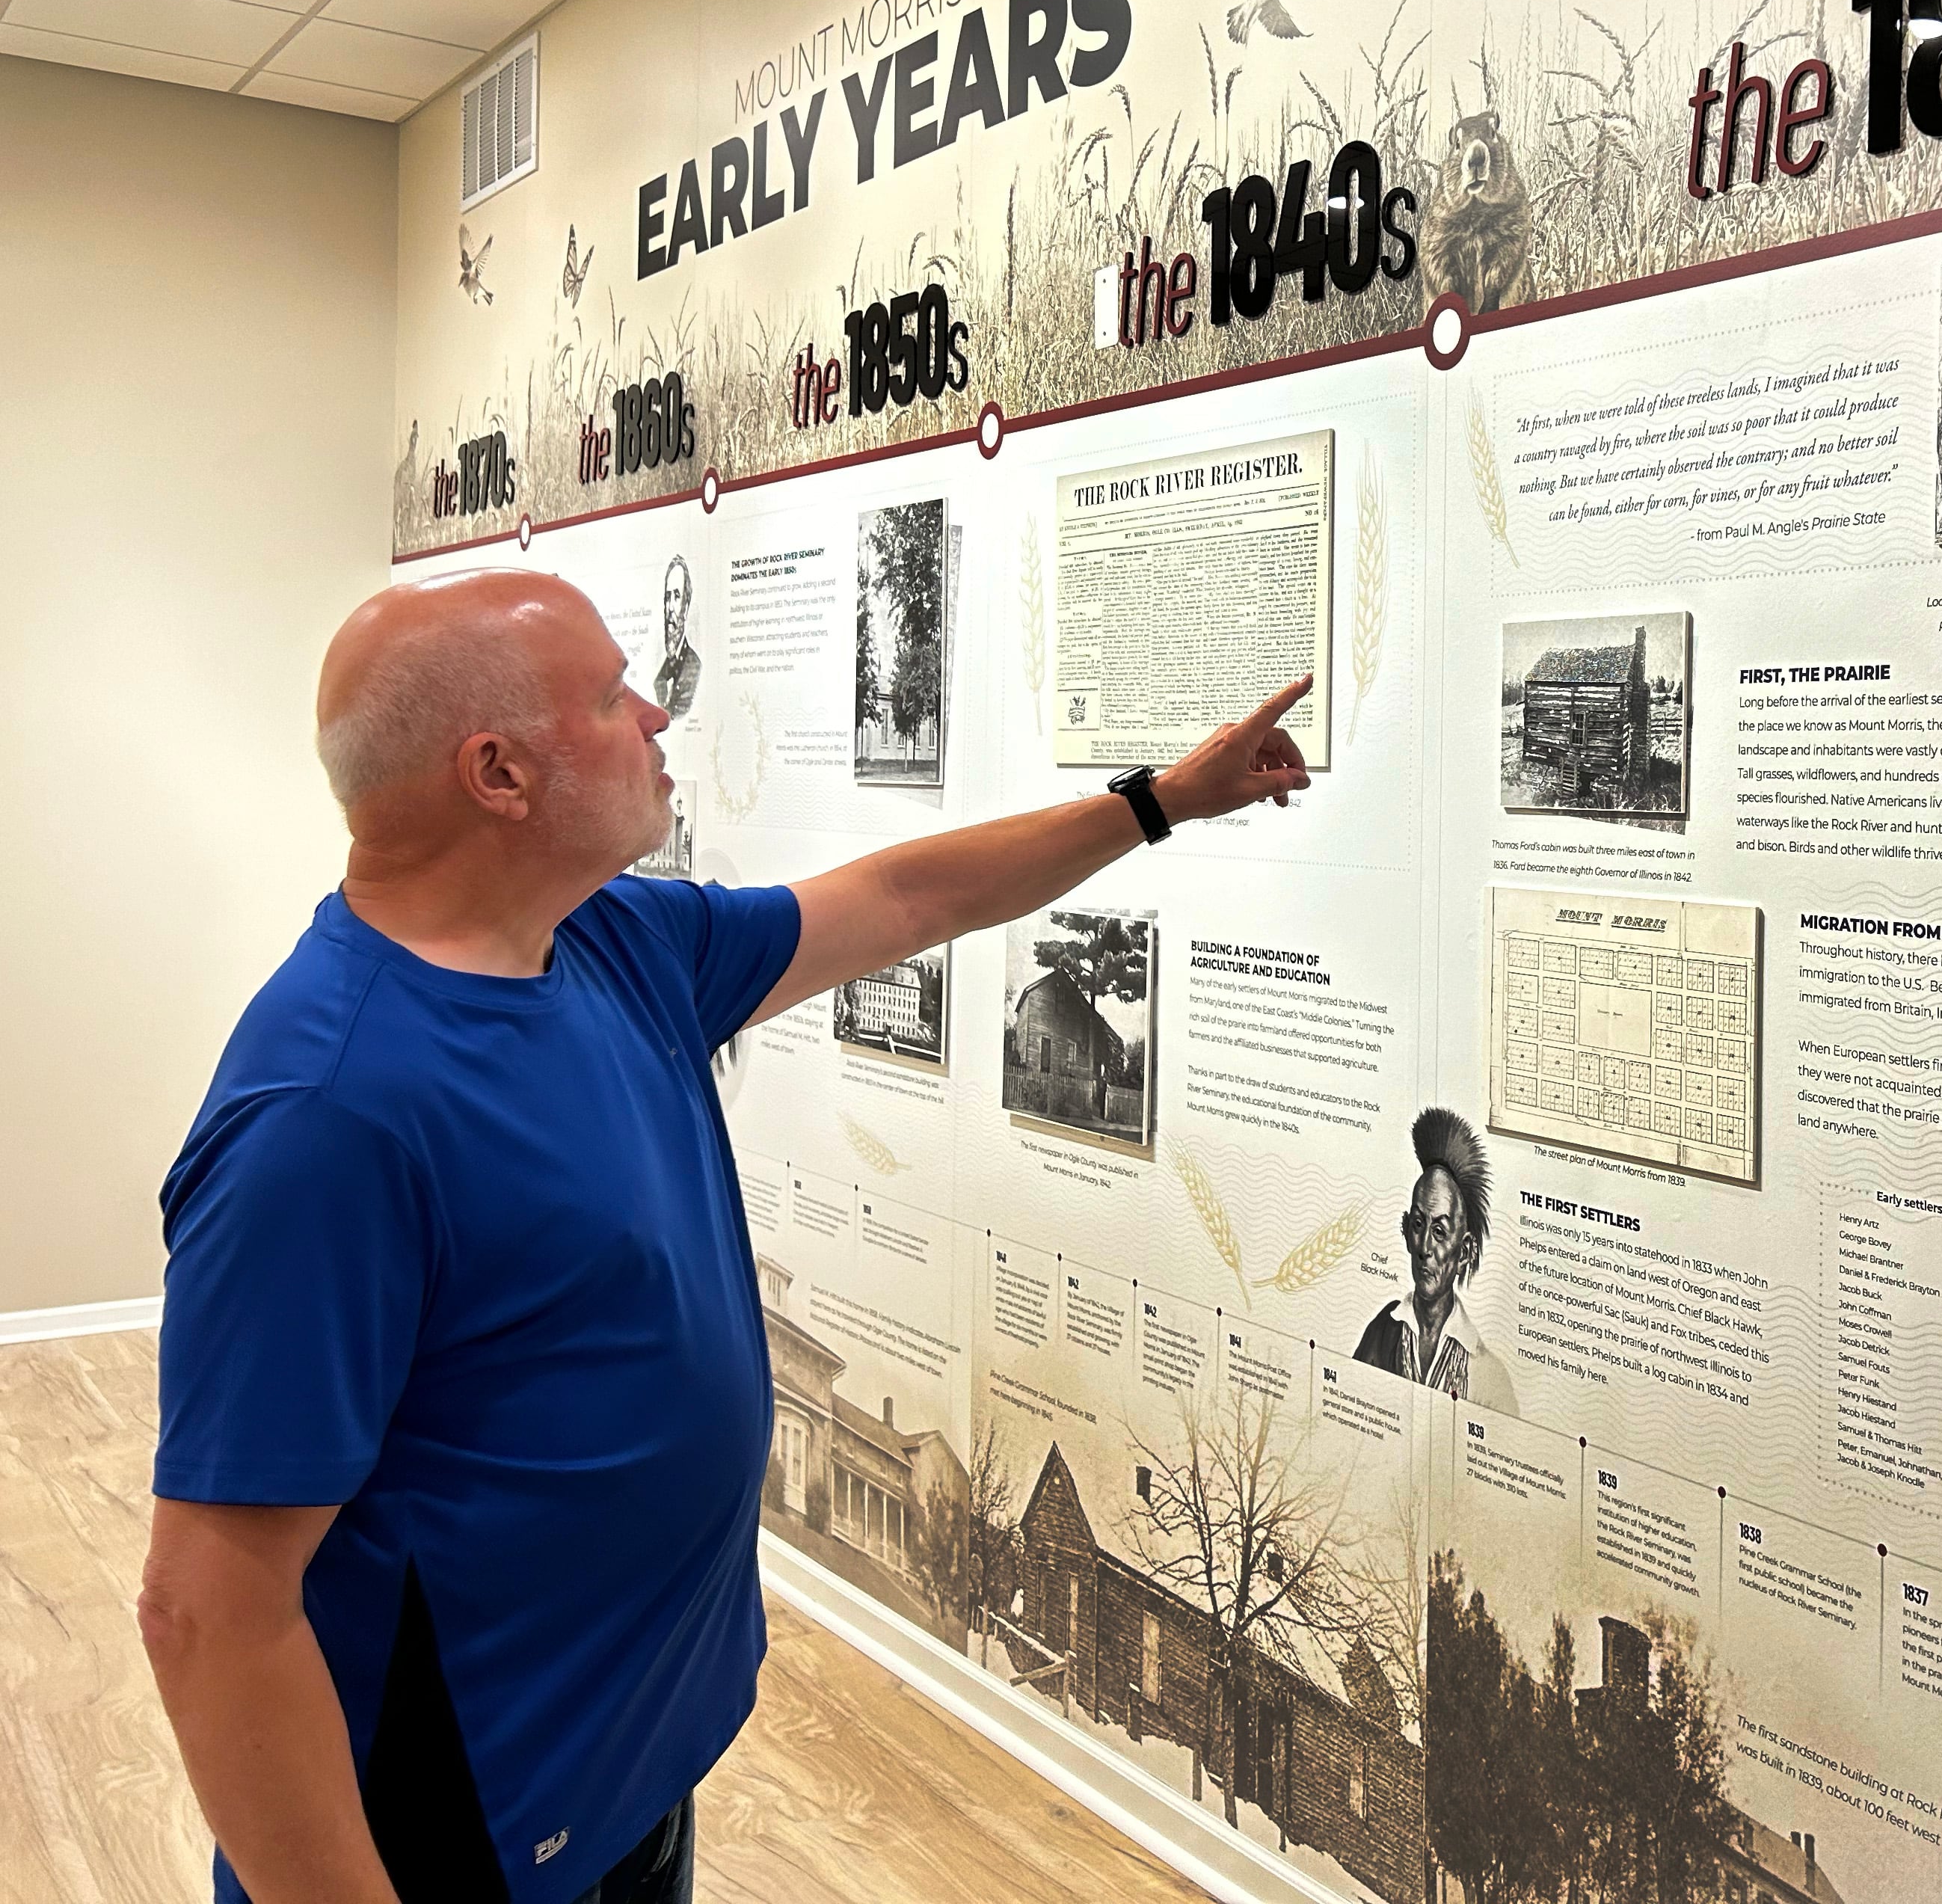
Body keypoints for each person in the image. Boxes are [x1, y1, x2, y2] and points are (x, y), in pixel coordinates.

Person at [136, 569, 1309, 1904]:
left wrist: (1155, 801)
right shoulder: (330, 1118)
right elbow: (209, 1614)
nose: (655, 714)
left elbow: (909, 899)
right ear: (500, 774)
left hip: (626, 1774)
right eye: (608, 695)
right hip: (461, 1833)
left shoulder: (611, 945)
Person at [1352, 1107, 1515, 1412]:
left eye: (1440, 1231)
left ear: (1465, 1251)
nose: (1425, 1247)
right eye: (1418, 1225)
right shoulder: (1381, 1332)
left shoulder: (1486, 1373)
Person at [651, 554, 699, 719]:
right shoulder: (660, 676)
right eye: (667, 597)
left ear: (686, 608)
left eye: (677, 597)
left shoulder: (694, 668)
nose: (670, 607)